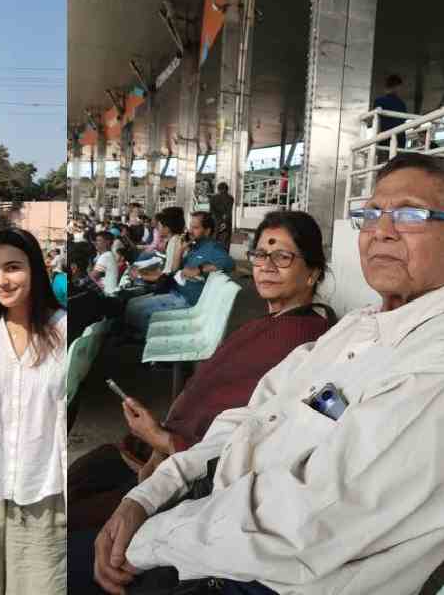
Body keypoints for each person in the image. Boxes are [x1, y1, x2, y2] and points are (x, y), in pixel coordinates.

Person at [94, 152, 444, 595]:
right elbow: (249, 417)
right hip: (207, 517)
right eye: (371, 214)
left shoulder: (430, 363)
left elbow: (309, 519)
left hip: (257, 576)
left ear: (312, 273)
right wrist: (152, 494)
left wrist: (150, 536)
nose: (382, 231)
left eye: (411, 214)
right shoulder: (358, 327)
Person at [68, 211, 336, 586]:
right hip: (168, 456)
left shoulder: (305, 341)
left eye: (283, 256)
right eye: (260, 254)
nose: (266, 266)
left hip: (194, 486)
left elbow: (255, 435)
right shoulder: (270, 323)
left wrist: (165, 443)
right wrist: (161, 437)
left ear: (312, 273)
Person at [0, 228, 67, 595]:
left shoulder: (62, 331)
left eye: (13, 267)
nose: (2, 280)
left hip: (44, 495)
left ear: (35, 269)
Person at [124, 212, 235, 338]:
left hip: (188, 300)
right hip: (176, 292)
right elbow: (174, 270)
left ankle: (144, 340)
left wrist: (199, 269)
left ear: (207, 231)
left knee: (139, 312)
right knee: (132, 305)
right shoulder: (195, 246)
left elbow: (230, 263)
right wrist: (180, 250)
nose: (190, 231)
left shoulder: (212, 248)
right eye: (190, 226)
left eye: (195, 227)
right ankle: (136, 336)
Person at [373, 74, 408, 151]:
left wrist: (376, 139)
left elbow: (377, 122)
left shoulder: (379, 101)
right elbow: (403, 121)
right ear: (397, 87)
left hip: (384, 139)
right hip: (399, 140)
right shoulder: (401, 104)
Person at [91, 231, 119, 295]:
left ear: (107, 242)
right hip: (108, 292)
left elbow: (92, 277)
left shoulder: (106, 256)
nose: (96, 243)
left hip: (107, 294)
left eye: (99, 240)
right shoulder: (108, 255)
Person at [210, 182, 234, 251]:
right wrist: (224, 222)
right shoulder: (230, 198)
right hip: (226, 222)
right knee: (226, 240)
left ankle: (213, 253)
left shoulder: (213, 198)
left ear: (218, 189)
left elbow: (212, 211)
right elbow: (228, 211)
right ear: (227, 189)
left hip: (216, 221)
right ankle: (224, 255)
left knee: (214, 238)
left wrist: (218, 220)